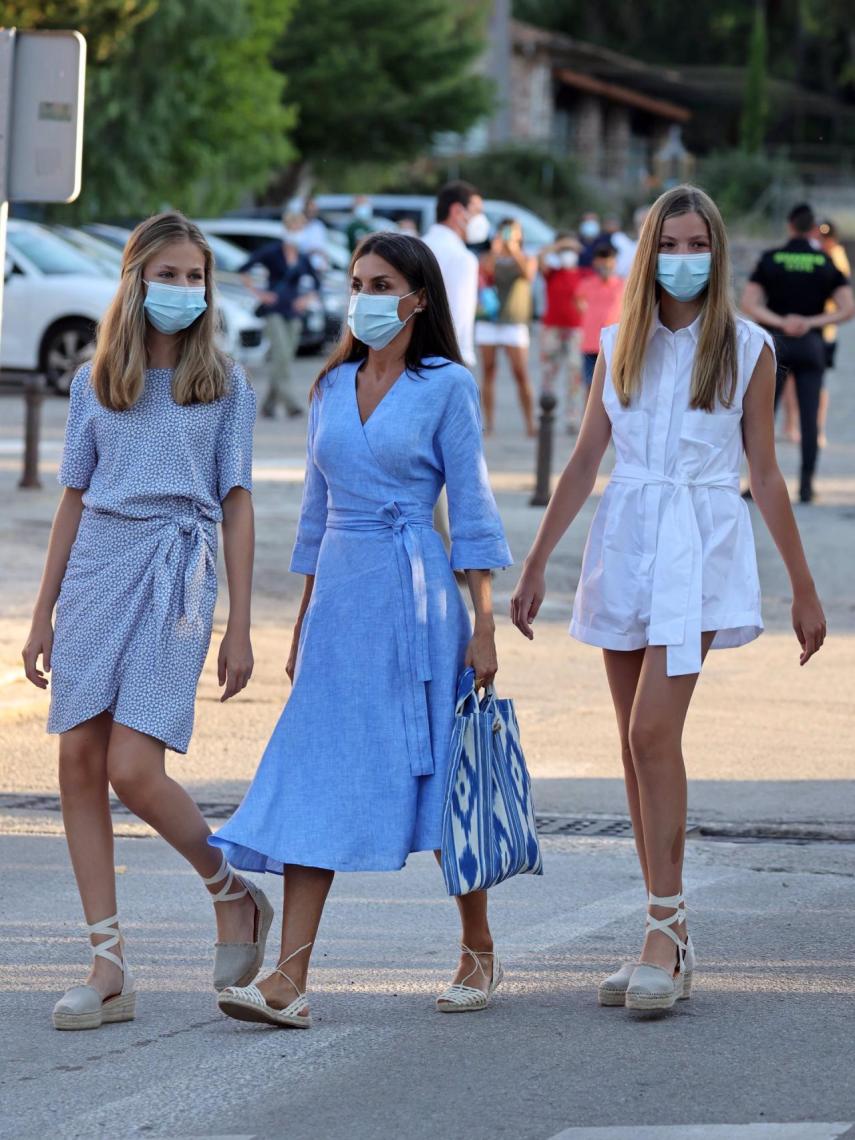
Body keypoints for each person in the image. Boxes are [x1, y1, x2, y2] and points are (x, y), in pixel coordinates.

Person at [511, 185, 826, 1013]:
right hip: (626, 540)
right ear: (648, 251)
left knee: (653, 732)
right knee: (632, 745)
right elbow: (585, 459)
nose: (683, 258)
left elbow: (765, 473)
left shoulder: (748, 347)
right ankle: (667, 930)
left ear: (716, 253)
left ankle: (664, 928)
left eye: (698, 244)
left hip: (699, 542)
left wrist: (802, 587)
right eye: (670, 243)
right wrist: (536, 561)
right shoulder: (619, 342)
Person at [210, 232, 512, 1028]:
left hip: (418, 605)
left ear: (418, 297)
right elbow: (314, 516)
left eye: (381, 284)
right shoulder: (330, 385)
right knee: (317, 773)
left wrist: (484, 623)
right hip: (341, 605)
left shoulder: (446, 385)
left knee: (438, 774)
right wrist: (301, 619)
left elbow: (472, 508)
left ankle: (477, 947)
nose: (365, 298)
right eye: (357, 283)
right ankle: (290, 978)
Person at [21, 212, 269, 1031]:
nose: (183, 289)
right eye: (168, 274)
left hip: (177, 573)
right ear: (135, 280)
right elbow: (72, 499)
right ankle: (108, 965)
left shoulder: (225, 384)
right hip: (97, 567)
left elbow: (237, 504)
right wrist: (41, 612)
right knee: (77, 760)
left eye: (195, 276)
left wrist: (239, 622)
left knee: (132, 767)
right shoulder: (93, 383)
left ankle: (229, 891)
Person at [740, 202, 854, 502]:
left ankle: (755, 484)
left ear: (790, 225)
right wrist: (809, 322)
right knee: (809, 417)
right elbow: (847, 308)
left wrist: (780, 322)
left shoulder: (771, 258)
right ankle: (806, 485)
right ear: (812, 229)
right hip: (811, 344)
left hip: (774, 344)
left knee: (763, 415)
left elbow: (749, 303)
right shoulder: (825, 261)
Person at [239, 210, 321, 420]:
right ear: (286, 229)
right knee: (281, 354)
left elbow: (317, 283)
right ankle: (291, 404)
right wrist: (260, 294)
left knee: (284, 358)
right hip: (274, 310)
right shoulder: (272, 251)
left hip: (293, 311)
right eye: (293, 227)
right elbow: (244, 269)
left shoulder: (302, 257)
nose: (296, 232)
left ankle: (268, 405)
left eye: (299, 228)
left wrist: (306, 300)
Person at [475, 217, 538, 436]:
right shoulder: (489, 256)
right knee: (488, 372)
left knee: (521, 373)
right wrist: (496, 250)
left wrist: (514, 250)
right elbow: (485, 271)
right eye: (505, 231)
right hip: (489, 321)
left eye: (514, 231)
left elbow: (528, 274)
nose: (509, 235)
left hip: (514, 322)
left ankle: (530, 423)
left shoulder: (527, 257)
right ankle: (489, 424)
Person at [423, 179, 485, 371]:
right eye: (477, 211)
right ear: (457, 211)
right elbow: (458, 319)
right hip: (447, 360)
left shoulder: (418, 246)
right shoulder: (462, 258)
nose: (481, 220)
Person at [537, 231, 585, 432]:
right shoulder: (552, 273)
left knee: (574, 375)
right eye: (565, 250)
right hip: (552, 328)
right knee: (548, 373)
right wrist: (559, 246)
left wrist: (574, 245)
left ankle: (572, 417)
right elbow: (540, 257)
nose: (568, 253)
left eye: (570, 250)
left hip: (576, 330)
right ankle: (546, 412)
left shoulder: (583, 274)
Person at [576, 242, 625, 396]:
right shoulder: (586, 284)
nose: (605, 265)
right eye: (601, 260)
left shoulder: (623, 285)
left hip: (615, 345)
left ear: (614, 262)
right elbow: (578, 302)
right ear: (595, 262)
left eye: (608, 260)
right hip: (590, 345)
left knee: (615, 389)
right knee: (590, 389)